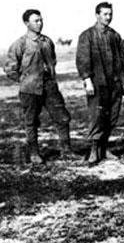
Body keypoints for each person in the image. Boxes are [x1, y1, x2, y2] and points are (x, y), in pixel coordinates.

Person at [4, 9, 79, 164]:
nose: (40, 23)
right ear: (26, 23)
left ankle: (67, 151)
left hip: (50, 87)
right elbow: (10, 68)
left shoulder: (47, 41)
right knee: (31, 121)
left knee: (62, 118)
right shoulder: (20, 44)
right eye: (36, 21)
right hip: (30, 90)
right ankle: (34, 153)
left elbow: (52, 61)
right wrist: (25, 80)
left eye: (41, 20)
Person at [76, 2, 124, 164]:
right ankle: (94, 150)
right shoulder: (87, 35)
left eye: (110, 14)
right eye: (105, 14)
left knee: (112, 116)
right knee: (97, 116)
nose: (108, 17)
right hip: (97, 83)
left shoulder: (115, 35)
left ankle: (104, 148)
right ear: (97, 15)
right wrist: (87, 80)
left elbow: (122, 60)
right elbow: (82, 60)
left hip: (114, 84)